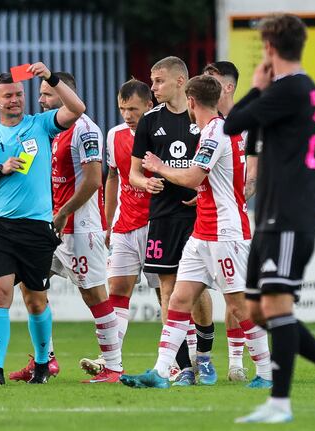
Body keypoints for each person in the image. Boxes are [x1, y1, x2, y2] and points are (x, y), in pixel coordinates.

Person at [222, 15, 315, 423]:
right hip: (271, 214)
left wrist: (256, 87)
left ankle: (279, 403)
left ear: (268, 48)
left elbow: (232, 123)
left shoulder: (292, 89)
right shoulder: (299, 90)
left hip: (289, 214)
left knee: (276, 305)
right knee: (257, 310)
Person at [119, 75, 273, 390]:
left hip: (224, 233)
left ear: (191, 101)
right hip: (203, 231)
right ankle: (161, 372)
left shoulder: (215, 131)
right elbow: (214, 180)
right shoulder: (220, 129)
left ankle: (268, 372)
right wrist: (203, 192)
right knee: (179, 298)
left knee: (238, 305)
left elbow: (192, 178)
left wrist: (159, 167)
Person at [0, 64, 85, 385]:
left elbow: (77, 108)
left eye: (18, 94)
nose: (15, 100)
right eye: (7, 96)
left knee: (35, 300)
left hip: (36, 227)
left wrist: (50, 78)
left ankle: (43, 364)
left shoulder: (41, 125)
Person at [11, 72, 124, 384]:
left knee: (94, 295)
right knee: (30, 285)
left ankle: (114, 367)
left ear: (65, 94)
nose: (40, 100)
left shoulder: (85, 129)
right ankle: (45, 359)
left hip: (80, 228)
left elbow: (94, 180)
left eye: (47, 94)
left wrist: (63, 213)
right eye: (40, 94)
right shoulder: (48, 131)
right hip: (48, 228)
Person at [129, 56, 216, 386]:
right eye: (152, 81)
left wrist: (202, 191)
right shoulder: (150, 122)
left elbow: (216, 167)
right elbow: (135, 173)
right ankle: (183, 368)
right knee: (168, 290)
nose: (153, 87)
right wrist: (145, 183)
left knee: (198, 291)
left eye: (159, 81)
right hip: (163, 216)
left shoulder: (204, 120)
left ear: (181, 81)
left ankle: (204, 357)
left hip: (198, 217)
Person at [77, 78, 163, 377]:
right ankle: (109, 358)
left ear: (149, 105)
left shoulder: (163, 133)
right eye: (123, 109)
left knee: (165, 294)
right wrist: (108, 221)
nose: (127, 115)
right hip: (125, 224)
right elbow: (112, 177)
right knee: (117, 289)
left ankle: (179, 362)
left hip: (158, 224)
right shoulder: (114, 135)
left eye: (133, 109)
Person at [203, 61, 258, 382]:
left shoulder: (248, 124)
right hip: (198, 220)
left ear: (227, 87)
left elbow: (253, 176)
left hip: (229, 222)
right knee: (185, 290)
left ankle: (237, 361)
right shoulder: (200, 121)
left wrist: (229, 196)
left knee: (234, 292)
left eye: (209, 79)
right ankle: (188, 362)